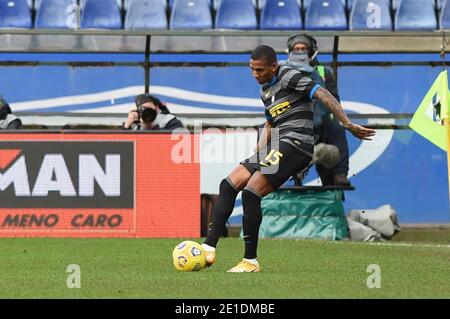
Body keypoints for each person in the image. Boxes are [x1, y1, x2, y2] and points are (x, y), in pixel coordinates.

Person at [201, 45, 375, 273]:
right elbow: (271, 123)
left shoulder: (289, 75)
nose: (255, 75)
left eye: (260, 70)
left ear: (274, 66)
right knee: (228, 184)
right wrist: (257, 152)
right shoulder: (265, 90)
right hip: (278, 144)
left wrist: (347, 123)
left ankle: (250, 262)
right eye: (252, 70)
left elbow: (322, 93)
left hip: (297, 145)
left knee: (251, 193)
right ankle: (208, 248)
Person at [282, 34, 351, 186]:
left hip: (318, 122)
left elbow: (335, 102)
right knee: (267, 131)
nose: (300, 53)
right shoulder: (281, 71)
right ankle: (267, 175)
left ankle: (340, 174)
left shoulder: (324, 72)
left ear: (311, 51)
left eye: (304, 49)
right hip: (291, 122)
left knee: (337, 128)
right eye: (297, 49)